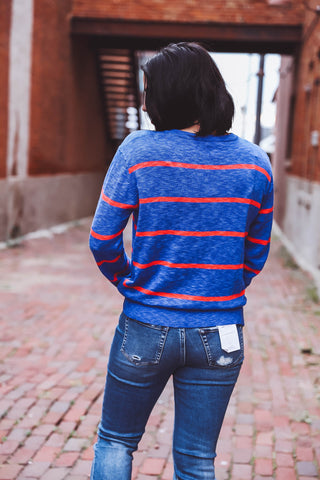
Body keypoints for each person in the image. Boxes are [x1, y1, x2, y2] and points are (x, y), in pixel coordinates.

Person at [89, 42, 273, 480]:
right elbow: (256, 253)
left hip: (146, 324)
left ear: (168, 95)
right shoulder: (256, 163)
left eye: (149, 89)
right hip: (222, 330)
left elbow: (102, 240)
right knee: (196, 460)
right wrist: (220, 288)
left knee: (116, 440)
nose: (145, 100)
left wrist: (130, 283)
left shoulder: (137, 152)